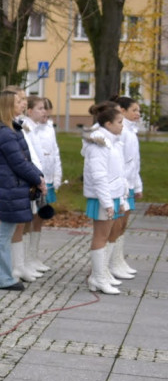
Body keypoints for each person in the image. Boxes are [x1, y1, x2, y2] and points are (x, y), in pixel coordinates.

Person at [0, 87, 43, 291]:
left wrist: (38, 177)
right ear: (8, 106)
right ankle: (1, 278)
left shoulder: (11, 130)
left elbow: (25, 159)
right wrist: (38, 179)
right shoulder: (5, 134)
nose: (23, 104)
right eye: (18, 101)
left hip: (13, 187)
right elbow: (19, 163)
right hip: (11, 188)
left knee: (6, 232)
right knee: (4, 233)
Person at [81, 102, 128, 294]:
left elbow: (119, 174)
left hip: (113, 195)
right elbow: (99, 176)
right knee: (101, 236)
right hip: (103, 197)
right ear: (108, 124)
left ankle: (102, 273)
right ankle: (98, 277)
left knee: (107, 235)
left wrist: (122, 198)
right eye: (119, 122)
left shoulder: (112, 142)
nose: (122, 126)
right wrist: (108, 202)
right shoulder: (98, 144)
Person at [23, 96, 61, 273]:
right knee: (27, 220)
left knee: (39, 219)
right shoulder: (28, 128)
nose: (45, 112)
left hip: (47, 179)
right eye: (40, 108)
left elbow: (54, 153)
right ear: (29, 110)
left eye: (45, 108)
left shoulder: (48, 128)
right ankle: (23, 260)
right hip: (34, 180)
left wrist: (56, 176)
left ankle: (33, 256)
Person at [110, 95, 141, 278]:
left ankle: (118, 259)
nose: (137, 114)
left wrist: (137, 185)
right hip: (121, 184)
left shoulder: (131, 131)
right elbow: (120, 162)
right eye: (134, 110)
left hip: (128, 183)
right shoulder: (122, 132)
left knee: (123, 224)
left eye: (138, 110)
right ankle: (111, 262)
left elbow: (134, 162)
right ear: (122, 110)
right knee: (116, 223)